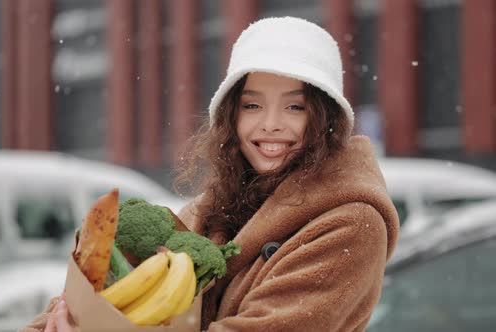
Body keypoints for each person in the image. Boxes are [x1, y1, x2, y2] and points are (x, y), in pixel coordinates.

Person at [20, 16, 399, 332]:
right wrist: (60, 320)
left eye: (295, 107)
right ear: (231, 117)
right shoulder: (214, 208)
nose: (269, 125)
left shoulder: (353, 223)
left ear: (325, 119)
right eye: (251, 105)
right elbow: (113, 283)